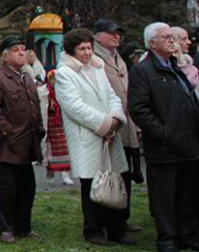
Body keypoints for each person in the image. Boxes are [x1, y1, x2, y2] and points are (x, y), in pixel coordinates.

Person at [54, 28, 133, 247]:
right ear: (72, 51)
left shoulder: (97, 67)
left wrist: (116, 120)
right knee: (92, 185)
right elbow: (74, 107)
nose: (87, 53)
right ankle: (93, 229)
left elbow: (111, 96)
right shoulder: (65, 73)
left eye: (89, 47)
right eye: (82, 49)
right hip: (87, 135)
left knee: (116, 178)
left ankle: (117, 228)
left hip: (109, 133)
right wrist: (105, 125)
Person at [129, 22, 199, 252]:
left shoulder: (174, 66)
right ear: (152, 43)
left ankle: (186, 236)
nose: (173, 41)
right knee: (165, 197)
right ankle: (167, 239)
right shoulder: (143, 70)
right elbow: (139, 108)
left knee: (187, 195)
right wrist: (163, 133)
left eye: (173, 36)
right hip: (164, 147)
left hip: (188, 145)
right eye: (167, 37)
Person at [0, 35, 45, 244]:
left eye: (23, 49)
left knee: (27, 187)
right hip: (6, 144)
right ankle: (6, 228)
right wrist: (8, 132)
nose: (21, 53)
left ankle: (23, 227)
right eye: (16, 49)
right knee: (7, 188)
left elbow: (34, 106)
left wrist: (38, 129)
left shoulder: (26, 77)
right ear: (4, 55)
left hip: (28, 142)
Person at [92, 17, 144, 239]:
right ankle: (108, 222)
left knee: (126, 172)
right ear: (98, 36)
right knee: (111, 175)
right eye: (112, 32)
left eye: (118, 32)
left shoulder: (116, 56)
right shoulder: (94, 58)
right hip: (109, 124)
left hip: (127, 123)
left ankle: (122, 218)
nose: (117, 36)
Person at [43, 70, 74, 186]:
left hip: (62, 123)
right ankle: (50, 173)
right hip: (50, 125)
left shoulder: (64, 92)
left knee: (65, 149)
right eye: (52, 79)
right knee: (49, 150)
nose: (55, 82)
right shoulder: (45, 92)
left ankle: (65, 174)